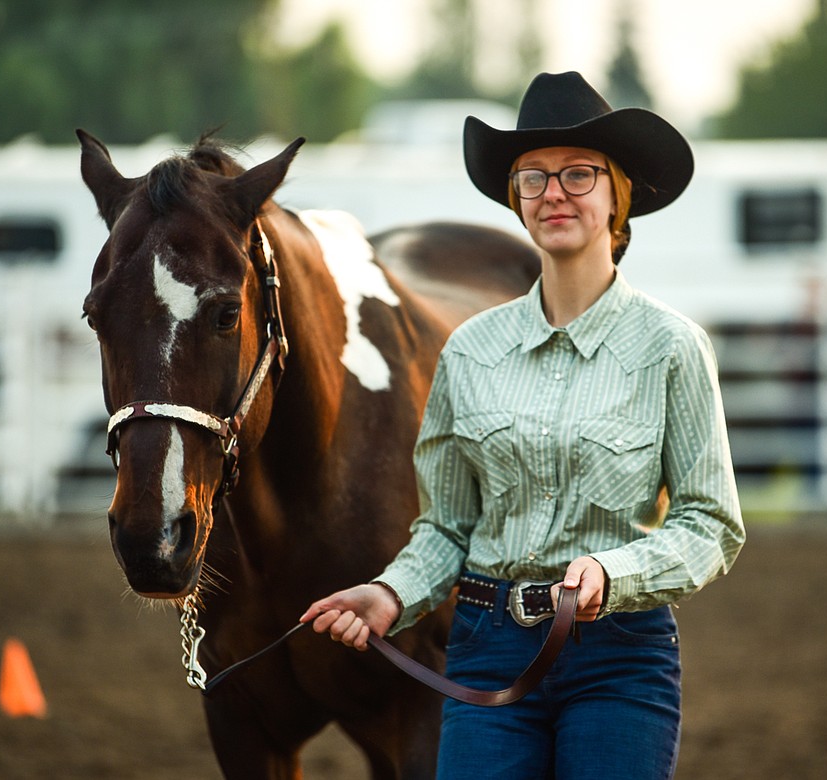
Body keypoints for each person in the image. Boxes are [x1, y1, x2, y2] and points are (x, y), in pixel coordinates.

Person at [301, 71, 745, 780]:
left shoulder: (672, 348)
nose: (553, 193)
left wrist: (612, 570)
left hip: (620, 657)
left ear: (617, 194)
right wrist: (390, 593)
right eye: (532, 178)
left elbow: (711, 525)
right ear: (516, 200)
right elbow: (447, 528)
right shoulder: (469, 351)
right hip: (486, 646)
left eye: (578, 174)